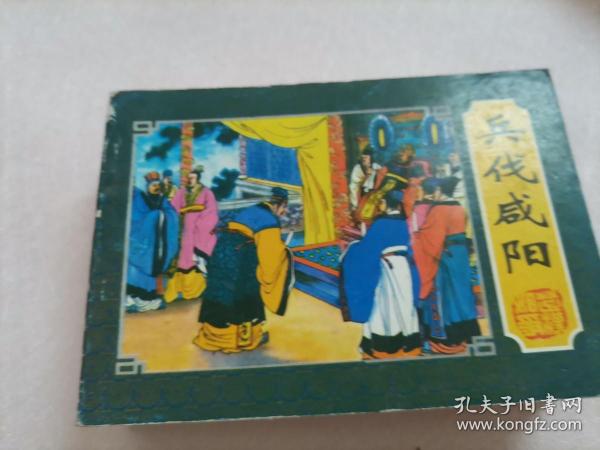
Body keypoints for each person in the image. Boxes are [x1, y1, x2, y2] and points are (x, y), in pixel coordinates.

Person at [193, 187, 294, 353]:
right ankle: (240, 340)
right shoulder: (269, 220)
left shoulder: (250, 210)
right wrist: (284, 254)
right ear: (280, 205)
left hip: (221, 252)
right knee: (244, 294)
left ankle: (212, 337)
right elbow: (270, 260)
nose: (283, 213)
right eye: (284, 208)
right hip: (242, 259)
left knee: (218, 290)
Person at [340, 189, 422, 359]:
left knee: (384, 307)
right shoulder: (404, 223)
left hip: (387, 269)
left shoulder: (382, 223)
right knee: (405, 304)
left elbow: (368, 249)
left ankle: (384, 348)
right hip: (405, 268)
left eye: (381, 202)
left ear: (385, 204)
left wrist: (353, 247)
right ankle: (409, 344)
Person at [412, 177, 480, 354]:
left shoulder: (439, 210)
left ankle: (447, 338)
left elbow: (431, 239)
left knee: (446, 297)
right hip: (460, 255)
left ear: (439, 191)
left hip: (446, 256)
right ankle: (468, 334)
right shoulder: (460, 208)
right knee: (462, 294)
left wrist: (417, 238)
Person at [126, 171, 179, 313]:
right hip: (141, 243)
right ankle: (133, 298)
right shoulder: (140, 198)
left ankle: (146, 299)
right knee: (134, 269)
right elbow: (135, 218)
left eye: (158, 185)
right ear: (147, 186)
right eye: (153, 185)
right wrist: (154, 217)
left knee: (151, 271)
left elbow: (171, 215)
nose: (156, 188)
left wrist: (160, 215)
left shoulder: (163, 200)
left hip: (156, 246)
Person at [164, 165, 219, 302]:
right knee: (179, 260)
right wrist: (177, 215)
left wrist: (199, 225)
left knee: (193, 261)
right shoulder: (182, 192)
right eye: (188, 178)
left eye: (193, 178)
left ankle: (194, 291)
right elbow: (173, 208)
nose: (190, 180)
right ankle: (176, 290)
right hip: (182, 231)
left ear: (198, 178)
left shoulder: (207, 192)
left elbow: (212, 212)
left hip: (197, 233)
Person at [349, 146, 382, 213]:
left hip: (373, 195)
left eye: (366, 158)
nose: (364, 159)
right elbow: (354, 187)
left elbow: (382, 177)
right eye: (363, 158)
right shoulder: (357, 169)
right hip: (361, 195)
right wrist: (366, 176)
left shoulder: (376, 167)